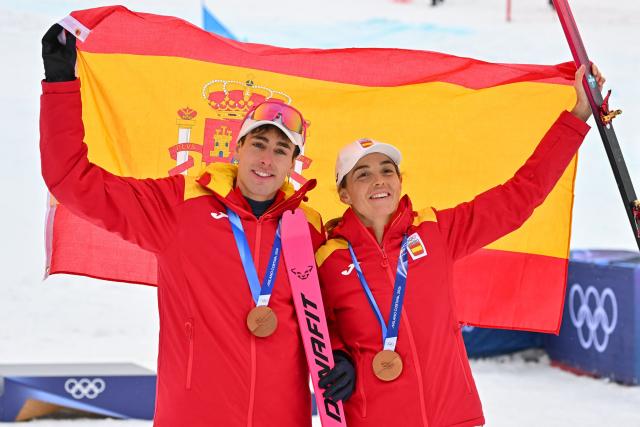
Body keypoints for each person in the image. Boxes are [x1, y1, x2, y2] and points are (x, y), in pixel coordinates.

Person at [40, 24, 354, 426]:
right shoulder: (180, 205)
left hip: (283, 416)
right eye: (258, 143)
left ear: (293, 163)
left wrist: (340, 352)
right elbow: (72, 181)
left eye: (281, 150)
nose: (267, 159)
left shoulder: (305, 227)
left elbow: (326, 313)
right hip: (193, 415)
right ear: (237, 147)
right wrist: (61, 85)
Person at [316, 64, 604, 426]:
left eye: (387, 170)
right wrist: (339, 355)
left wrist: (577, 116)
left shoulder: (436, 231)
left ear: (400, 181)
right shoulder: (328, 257)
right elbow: (317, 326)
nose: (379, 181)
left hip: (453, 415)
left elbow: (519, 197)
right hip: (375, 417)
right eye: (363, 174)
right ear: (344, 192)